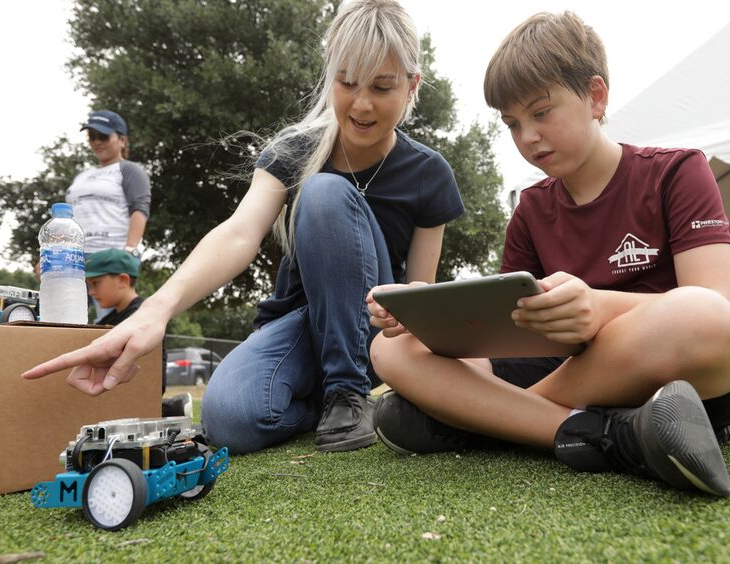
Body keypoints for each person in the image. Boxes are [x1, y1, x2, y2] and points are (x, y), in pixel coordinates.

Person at [23, 0, 463, 455]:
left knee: (324, 192)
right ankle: (325, 404)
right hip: (300, 323)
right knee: (229, 418)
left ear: (413, 85)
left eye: (382, 86)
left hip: (368, 331)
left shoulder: (429, 173)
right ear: (330, 74)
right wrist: (157, 310)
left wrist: (408, 337)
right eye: (347, 82)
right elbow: (238, 233)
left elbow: (419, 293)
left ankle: (349, 393)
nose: (362, 103)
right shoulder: (295, 149)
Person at [367, 11, 730, 497]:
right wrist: (429, 316)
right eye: (512, 123)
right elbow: (504, 337)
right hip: (562, 370)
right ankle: (610, 435)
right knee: (390, 348)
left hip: (680, 374)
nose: (527, 136)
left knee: (704, 317)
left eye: (541, 112)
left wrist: (598, 306)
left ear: (595, 96)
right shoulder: (531, 207)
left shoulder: (677, 172)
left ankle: (485, 420)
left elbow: (721, 306)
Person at [67, 109, 151, 321]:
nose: (97, 142)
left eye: (103, 136)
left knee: (110, 323)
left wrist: (129, 251)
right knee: (66, 319)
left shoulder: (130, 170)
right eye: (92, 137)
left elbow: (139, 210)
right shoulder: (81, 177)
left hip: (109, 258)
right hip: (75, 258)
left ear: (122, 140)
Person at [85, 248, 189, 417]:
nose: (91, 292)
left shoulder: (141, 317)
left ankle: (167, 409)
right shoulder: (110, 319)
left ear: (122, 280)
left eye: (96, 283)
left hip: (140, 394)